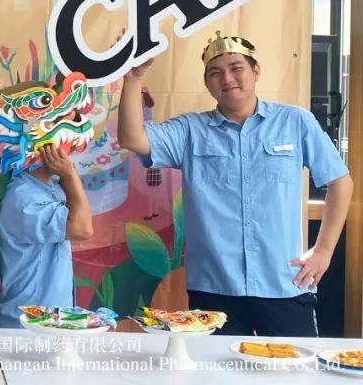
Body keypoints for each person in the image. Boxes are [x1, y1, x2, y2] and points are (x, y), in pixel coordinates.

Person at [117, 31, 354, 337]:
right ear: (207, 83)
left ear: (256, 71)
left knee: (295, 364)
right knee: (215, 366)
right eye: (215, 73)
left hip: (284, 283)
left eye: (236, 68)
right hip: (214, 288)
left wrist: (323, 251)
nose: (227, 78)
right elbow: (132, 139)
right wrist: (133, 78)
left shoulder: (295, 122)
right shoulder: (190, 130)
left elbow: (340, 181)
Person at [0, 145, 93, 328]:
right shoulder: (24, 200)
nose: (69, 150)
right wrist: (69, 175)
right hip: (28, 329)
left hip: (47, 324)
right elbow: (83, 228)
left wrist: (67, 176)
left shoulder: (46, 187)